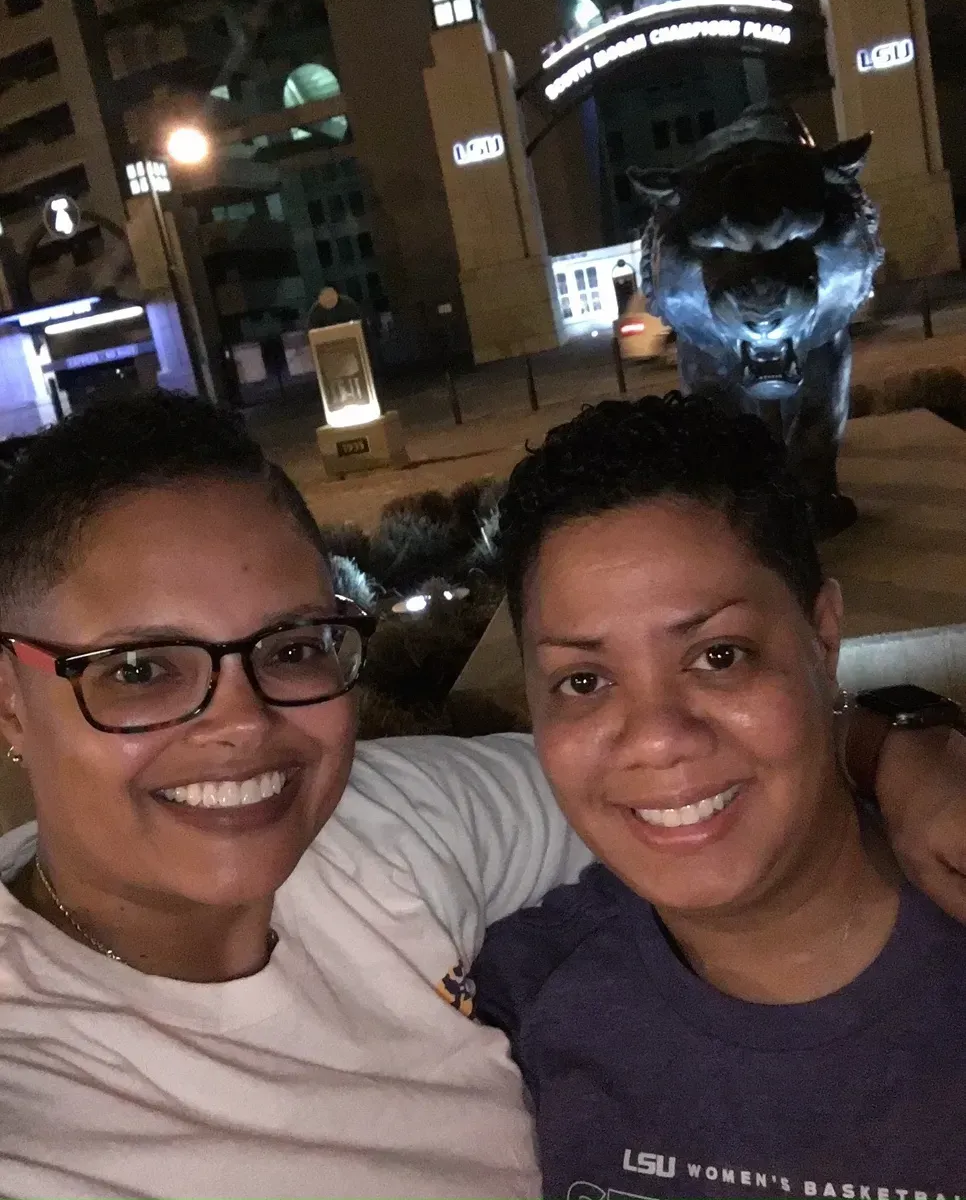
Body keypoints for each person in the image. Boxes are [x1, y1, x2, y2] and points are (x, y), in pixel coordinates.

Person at [0, 390, 962, 1200]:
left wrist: (899, 749)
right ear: (9, 701)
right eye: (137, 671)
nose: (240, 724)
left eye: (293, 649)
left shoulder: (392, 827)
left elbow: (662, 780)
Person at [473, 393, 966, 1200]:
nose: (657, 735)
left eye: (720, 655)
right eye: (585, 680)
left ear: (824, 636)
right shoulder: (515, 1005)